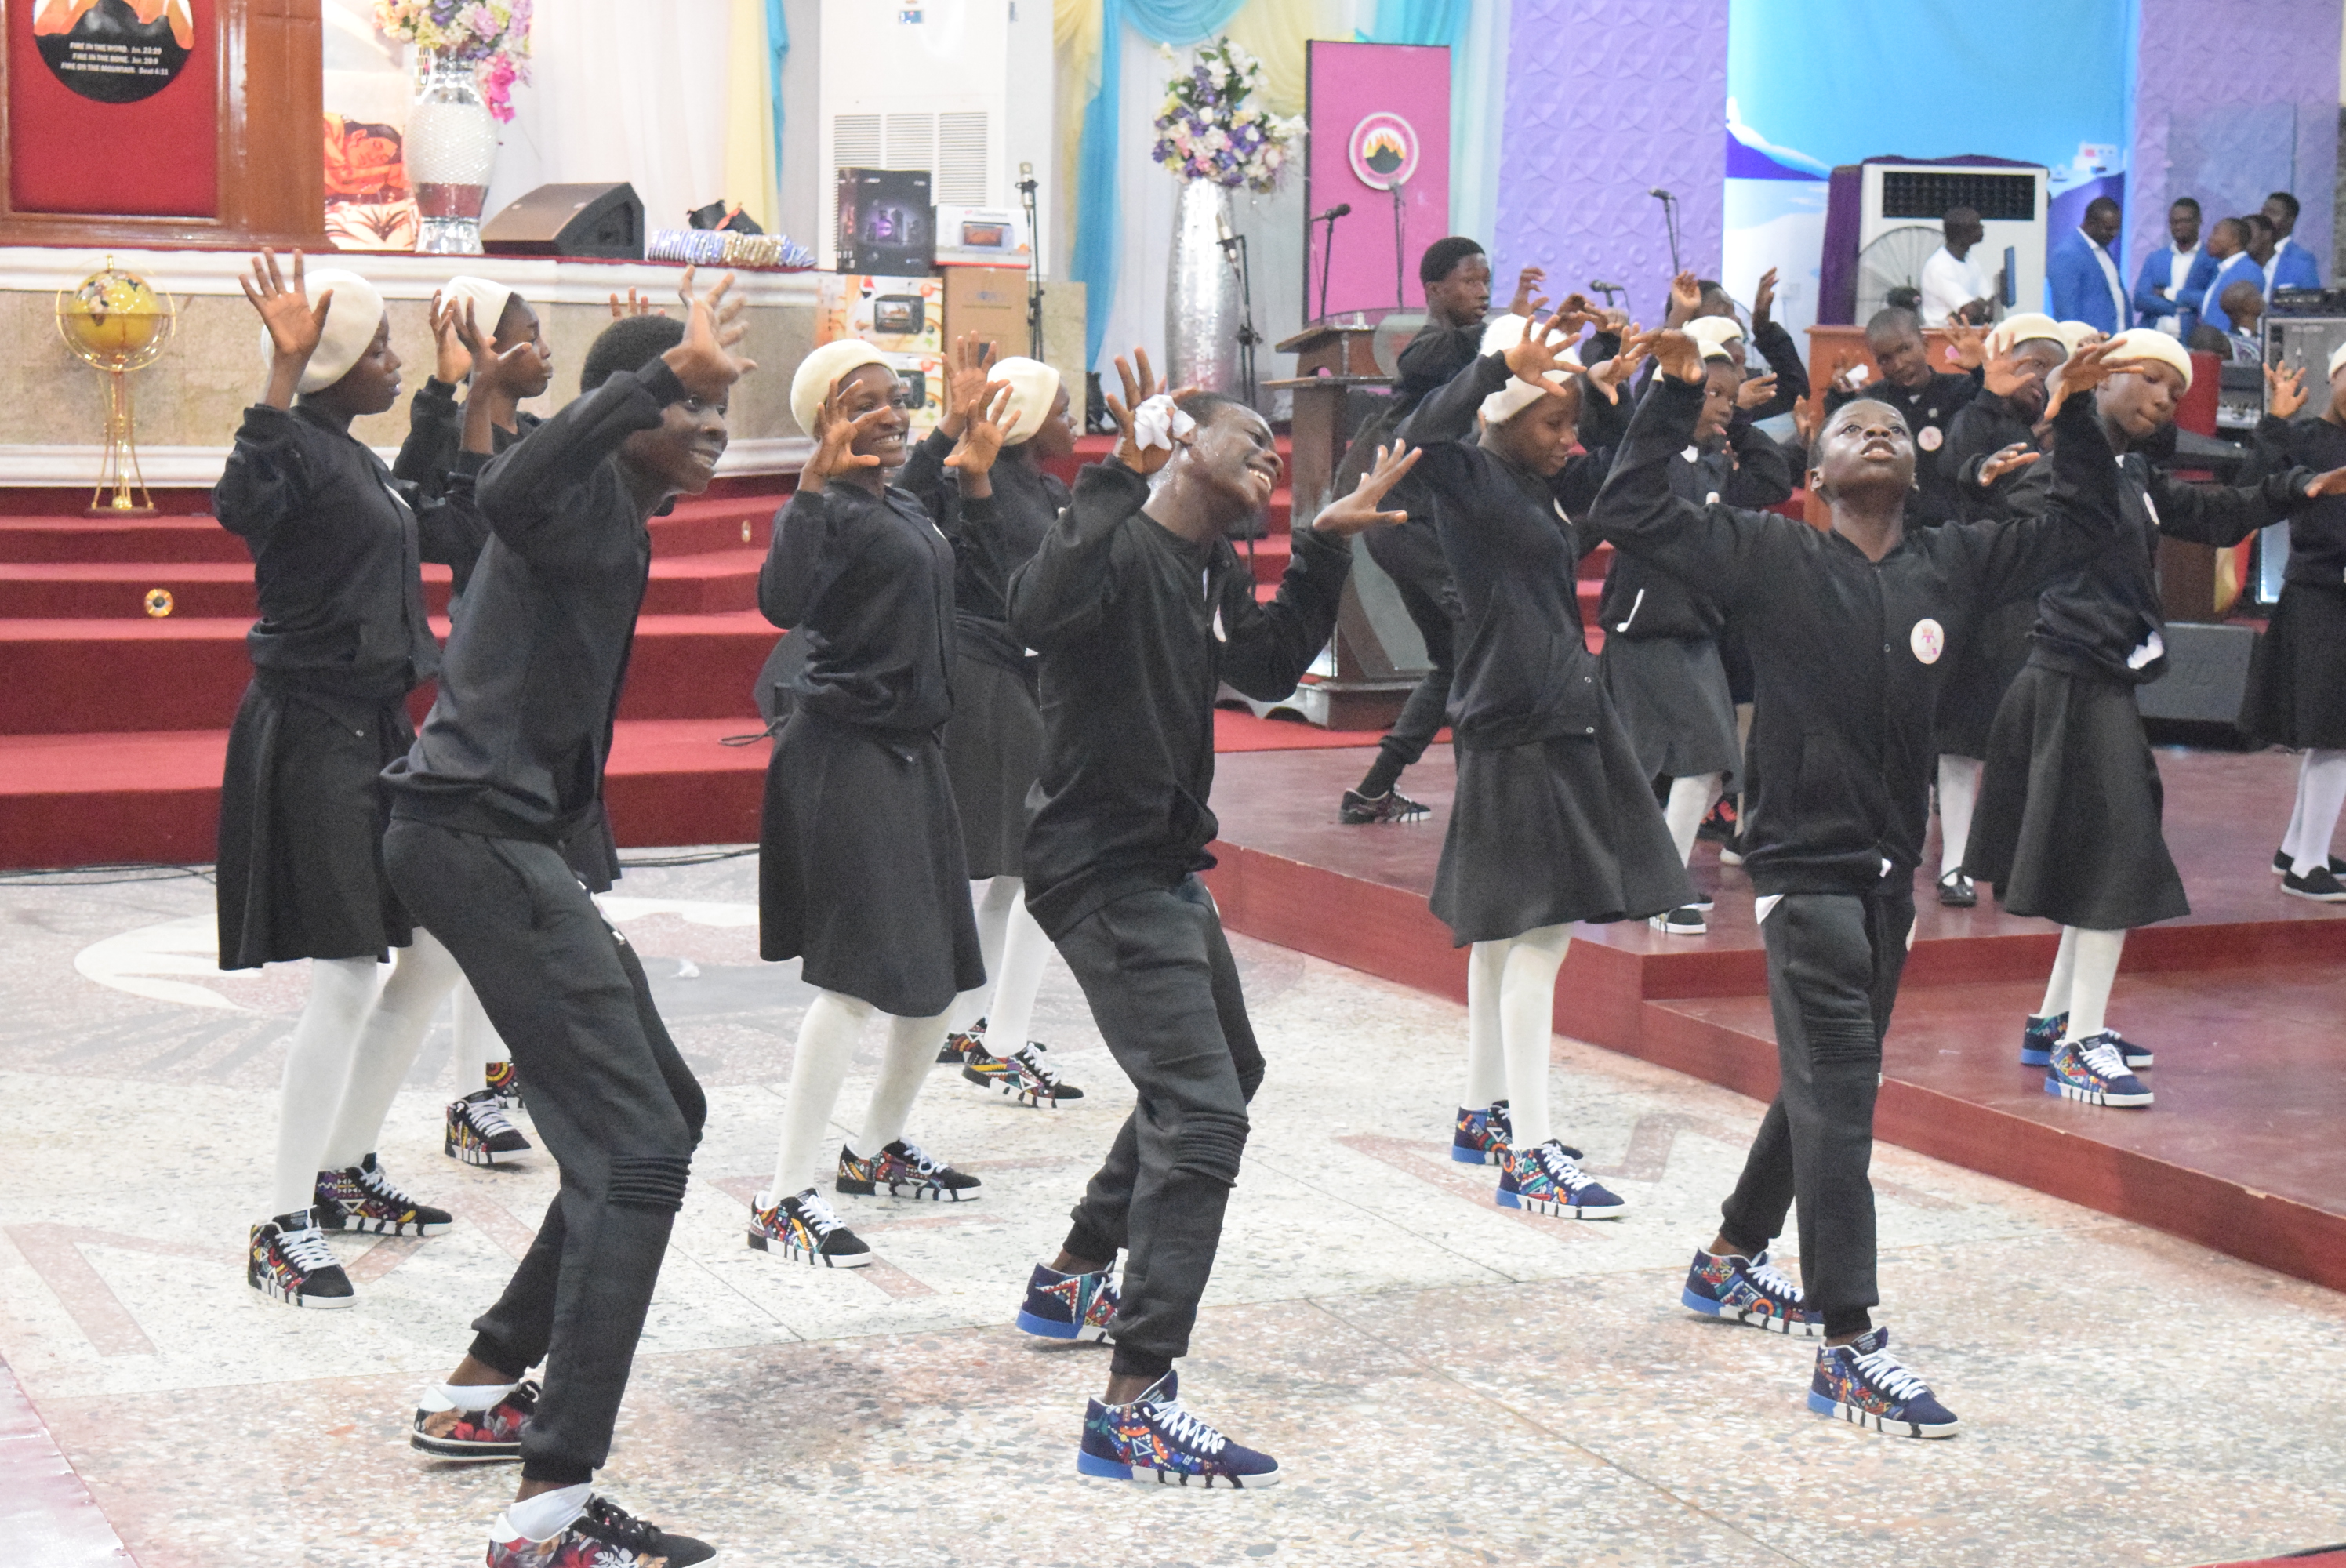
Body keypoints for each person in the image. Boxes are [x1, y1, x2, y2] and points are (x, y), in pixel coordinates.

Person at [1594, 322, 2144, 1439]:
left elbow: (2084, 525)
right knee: (1845, 1092)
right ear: (1817, 475)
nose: (1879, 434)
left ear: (1915, 466)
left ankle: (1729, 1261)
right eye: (1854, 427)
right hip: (1804, 874)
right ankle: (1851, 1342)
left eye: (1893, 426)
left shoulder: (1953, 561)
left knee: (1831, 1082)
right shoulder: (1769, 553)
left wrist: (2074, 419)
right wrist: (1675, 388)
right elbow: (1632, 511)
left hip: (1892, 873)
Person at [381, 271, 753, 1566]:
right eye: (690, 407)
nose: (711, 426)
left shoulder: (615, 509)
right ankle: (549, 1511)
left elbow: (491, 505)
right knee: (639, 1148)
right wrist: (646, 379)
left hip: (501, 841)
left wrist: (514, 401)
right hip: (475, 840)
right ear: (627, 409)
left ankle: (484, 1384)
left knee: (667, 1111)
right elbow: (506, 491)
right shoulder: (577, 489)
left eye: (720, 409)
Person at [1004, 350, 1417, 1486]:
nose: (1270, 458)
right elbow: (1034, 604)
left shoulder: (1203, 568)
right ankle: (1134, 1401)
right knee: (1205, 1115)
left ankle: (1077, 1271)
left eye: (1279, 456)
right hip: (1098, 865)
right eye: (1251, 440)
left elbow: (1271, 666)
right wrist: (1107, 472)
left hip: (1159, 861)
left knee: (1227, 1073)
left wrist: (1325, 541)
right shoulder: (1119, 543)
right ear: (1183, 441)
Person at [1968, 329, 2346, 1105]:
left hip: (2100, 680)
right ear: (2101, 382)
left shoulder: (2131, 470)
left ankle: (2055, 1023)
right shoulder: (2071, 464)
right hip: (2069, 678)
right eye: (2148, 380)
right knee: (2117, 859)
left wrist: (2294, 489)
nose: (2163, 400)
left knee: (2099, 856)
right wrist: (2067, 398)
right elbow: (2068, 462)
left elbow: (2214, 514)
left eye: (2175, 392)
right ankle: (2078, 1049)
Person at [218, 252, 491, 1311]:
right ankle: (282, 1222)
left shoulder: (348, 457)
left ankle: (346, 1169)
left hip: (375, 725)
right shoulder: (294, 452)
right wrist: (277, 380)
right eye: (374, 349)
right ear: (328, 366)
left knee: (429, 951)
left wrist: (441, 385)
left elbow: (419, 502)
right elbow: (242, 501)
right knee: (343, 973)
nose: (387, 361)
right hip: (313, 731)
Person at [1393, 307, 1685, 1202]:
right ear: (1506, 416)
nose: (1568, 437)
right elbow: (1418, 430)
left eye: (1569, 422)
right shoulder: (1471, 477)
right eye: (1552, 422)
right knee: (1541, 933)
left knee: (1506, 929)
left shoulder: (1525, 484)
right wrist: (1489, 370)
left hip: (1546, 716)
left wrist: (1646, 392)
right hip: (1518, 723)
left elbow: (1618, 474)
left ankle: (1484, 1111)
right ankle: (1530, 1149)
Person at [747, 339, 990, 1267]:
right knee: (850, 985)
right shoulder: (826, 509)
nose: (889, 412)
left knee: (937, 978)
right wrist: (809, 483)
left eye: (897, 398)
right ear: (822, 419)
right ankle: (782, 1196)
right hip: (844, 754)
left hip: (912, 756)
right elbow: (779, 599)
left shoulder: (897, 501)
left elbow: (930, 503)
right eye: (863, 402)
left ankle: (874, 1149)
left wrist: (957, 428)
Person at [389, 278, 564, 1167]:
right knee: (468, 910)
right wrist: (448, 387)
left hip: (547, 684)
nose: (547, 352)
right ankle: (471, 1091)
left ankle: (491, 1081)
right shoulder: (460, 442)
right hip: (484, 684)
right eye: (531, 336)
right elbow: (429, 512)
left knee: (521, 897)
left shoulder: (540, 440)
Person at [902, 336, 1086, 1106]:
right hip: (987, 683)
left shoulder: (1039, 489)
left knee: (1014, 867)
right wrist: (953, 432)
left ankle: (962, 1021)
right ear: (1031, 417)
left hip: (1016, 678)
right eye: (1065, 410)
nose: (1076, 423)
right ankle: (1000, 1042)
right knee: (1045, 864)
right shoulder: (973, 483)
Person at [1337, 236, 1545, 826]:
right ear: (1434, 290)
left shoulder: (1465, 349)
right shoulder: (1428, 349)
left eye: (1487, 281)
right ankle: (1483, 805)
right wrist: (1510, 326)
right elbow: (1450, 359)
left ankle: (1375, 787)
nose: (1482, 292)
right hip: (1412, 524)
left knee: (1454, 664)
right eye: (1470, 282)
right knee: (1481, 649)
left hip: (1409, 526)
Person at [1599, 314, 1788, 936]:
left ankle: (1653, 878)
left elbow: (1773, 481)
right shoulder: (1656, 457)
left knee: (1712, 767)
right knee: (1702, 761)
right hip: (1649, 628)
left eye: (1732, 398)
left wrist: (1746, 425)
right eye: (1714, 394)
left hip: (1696, 631)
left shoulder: (1712, 462)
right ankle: (1660, 887)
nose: (1726, 408)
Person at [1933, 315, 2078, 906]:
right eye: (2031, 365)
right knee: (1962, 740)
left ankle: (2016, 860)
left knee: (2022, 746)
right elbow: (1952, 473)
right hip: (1977, 602)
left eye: (2051, 370)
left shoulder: (2068, 435)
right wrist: (1986, 391)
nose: (2039, 380)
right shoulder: (1975, 419)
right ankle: (1954, 864)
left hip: (2039, 607)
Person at [2246, 351, 2346, 899]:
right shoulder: (2305, 438)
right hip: (2321, 595)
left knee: (2332, 738)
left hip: (2336, 597)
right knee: (2336, 737)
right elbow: (2252, 486)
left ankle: (2297, 846)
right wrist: (2275, 420)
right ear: (2335, 377)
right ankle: (2307, 869)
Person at [1824, 307, 1984, 528]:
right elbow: (1839, 441)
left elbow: (1994, 401)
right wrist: (1839, 397)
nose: (1898, 364)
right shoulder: (1872, 401)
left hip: (1953, 523)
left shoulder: (1960, 389)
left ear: (1925, 344)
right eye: (1885, 359)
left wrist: (1980, 369)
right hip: (1891, 526)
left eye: (1905, 349)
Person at [2048, 196, 2131, 333]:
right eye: (2108, 229)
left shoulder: (2102, 249)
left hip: (2114, 342)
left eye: (2117, 229)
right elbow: (2066, 312)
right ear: (2091, 223)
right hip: (2089, 346)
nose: (2114, 234)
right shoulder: (2068, 254)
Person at [2133, 198, 2205, 338]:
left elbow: (2208, 298)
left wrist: (2168, 294)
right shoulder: (2156, 258)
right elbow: (2140, 299)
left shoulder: (2210, 259)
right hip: (2154, 337)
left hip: (2191, 339)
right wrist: (2177, 309)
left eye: (2185, 221)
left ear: (2199, 221)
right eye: (2174, 222)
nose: (2178, 227)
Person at [1919, 206, 2002, 327]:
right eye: (1976, 226)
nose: (1982, 228)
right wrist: (1980, 305)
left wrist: (1979, 304)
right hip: (1943, 336)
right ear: (1962, 234)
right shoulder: (1940, 267)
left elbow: (1990, 301)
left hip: (1966, 331)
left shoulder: (1969, 260)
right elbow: (1969, 312)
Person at [2263, 191, 2322, 292]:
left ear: (2290, 220)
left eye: (2273, 213)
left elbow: (2311, 302)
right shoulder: (2250, 252)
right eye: (2263, 212)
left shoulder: (2302, 259)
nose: (2265, 218)